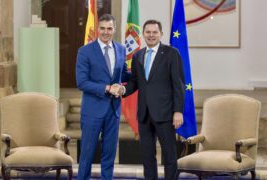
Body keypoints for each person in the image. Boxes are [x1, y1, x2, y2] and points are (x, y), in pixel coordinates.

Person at [116, 19, 185, 180]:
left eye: (155, 32)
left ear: (161, 34)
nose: (151, 35)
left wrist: (178, 111)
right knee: (147, 158)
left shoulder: (171, 54)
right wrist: (124, 89)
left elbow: (178, 85)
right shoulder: (138, 55)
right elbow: (135, 82)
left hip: (166, 114)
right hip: (144, 115)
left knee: (169, 157)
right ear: (143, 34)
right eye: (148, 32)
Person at [75, 14, 129, 180]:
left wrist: (122, 86)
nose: (106, 32)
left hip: (113, 110)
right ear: (97, 29)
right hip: (92, 111)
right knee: (87, 155)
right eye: (103, 28)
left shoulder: (121, 49)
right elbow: (81, 82)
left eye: (109, 28)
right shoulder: (85, 51)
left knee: (109, 155)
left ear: (114, 29)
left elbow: (124, 74)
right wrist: (106, 88)